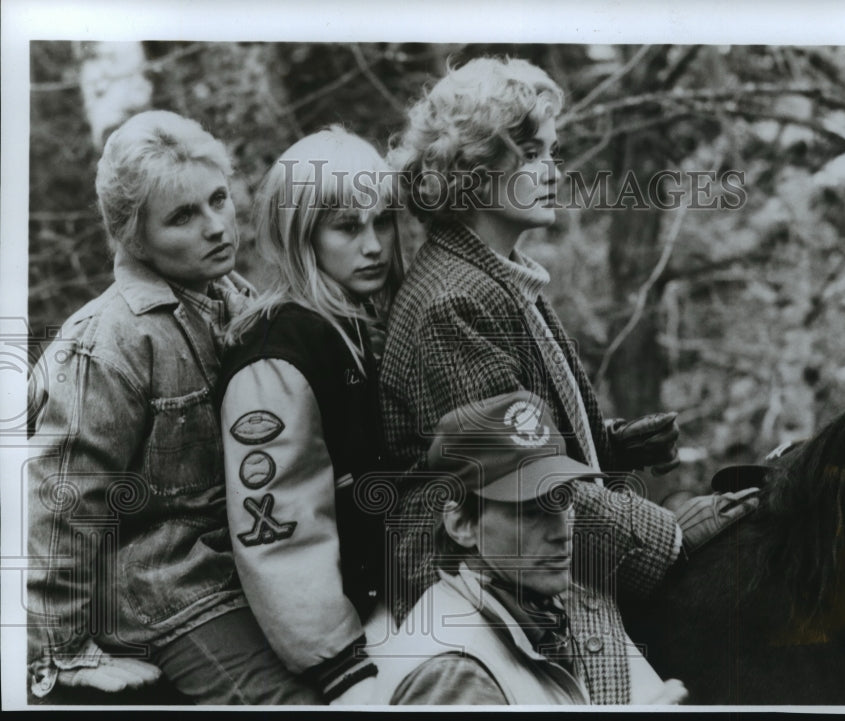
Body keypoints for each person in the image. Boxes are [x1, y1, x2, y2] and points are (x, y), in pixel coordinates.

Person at [380, 56, 758, 704]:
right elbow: (512, 478)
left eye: (549, 151)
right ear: (472, 175)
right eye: (530, 154)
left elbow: (534, 440)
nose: (553, 170)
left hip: (531, 554)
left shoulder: (500, 274)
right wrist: (666, 533)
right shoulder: (453, 301)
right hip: (490, 592)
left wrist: (608, 443)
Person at [26, 110, 323, 704]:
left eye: (218, 199)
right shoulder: (109, 344)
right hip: (166, 590)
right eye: (182, 217)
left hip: (250, 566)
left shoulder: (235, 301)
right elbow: (62, 502)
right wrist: (61, 652)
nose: (216, 227)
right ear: (134, 237)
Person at [219, 126, 404, 704]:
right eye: (348, 227)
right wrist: (340, 664)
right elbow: (277, 527)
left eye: (383, 221)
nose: (373, 245)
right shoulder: (277, 354)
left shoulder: (356, 321)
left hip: (392, 599)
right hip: (344, 643)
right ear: (301, 235)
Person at [372, 391, 689, 706]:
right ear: (461, 524)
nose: (561, 531)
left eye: (563, 499)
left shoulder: (529, 611)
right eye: (530, 510)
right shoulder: (454, 674)